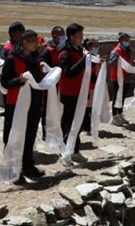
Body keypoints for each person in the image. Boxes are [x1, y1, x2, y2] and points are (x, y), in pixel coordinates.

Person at [0, 29, 45, 180]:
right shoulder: (12, 58)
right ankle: (12, 170)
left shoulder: (35, 57)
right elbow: (5, 82)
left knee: (30, 135)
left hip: (34, 103)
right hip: (16, 104)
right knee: (14, 136)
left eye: (36, 41)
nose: (36, 44)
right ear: (24, 42)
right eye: (33, 42)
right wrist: (18, 81)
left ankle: (27, 165)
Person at [57, 23, 93, 163]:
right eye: (79, 36)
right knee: (68, 123)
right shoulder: (65, 53)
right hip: (69, 94)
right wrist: (84, 61)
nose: (81, 38)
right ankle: (64, 152)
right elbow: (69, 73)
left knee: (78, 123)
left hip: (80, 92)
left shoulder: (79, 50)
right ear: (71, 37)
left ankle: (75, 150)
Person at [38, 26, 65, 140]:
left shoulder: (63, 49)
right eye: (60, 34)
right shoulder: (48, 51)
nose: (62, 37)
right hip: (51, 86)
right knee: (47, 108)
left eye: (63, 34)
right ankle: (46, 133)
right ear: (53, 35)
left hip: (62, 84)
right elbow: (44, 68)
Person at [107, 32, 135, 125]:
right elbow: (110, 63)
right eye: (125, 40)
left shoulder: (128, 50)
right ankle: (114, 116)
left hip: (127, 77)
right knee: (117, 97)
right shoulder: (116, 51)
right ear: (120, 40)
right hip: (117, 78)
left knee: (123, 97)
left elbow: (130, 61)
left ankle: (120, 114)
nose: (127, 42)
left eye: (128, 40)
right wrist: (116, 59)